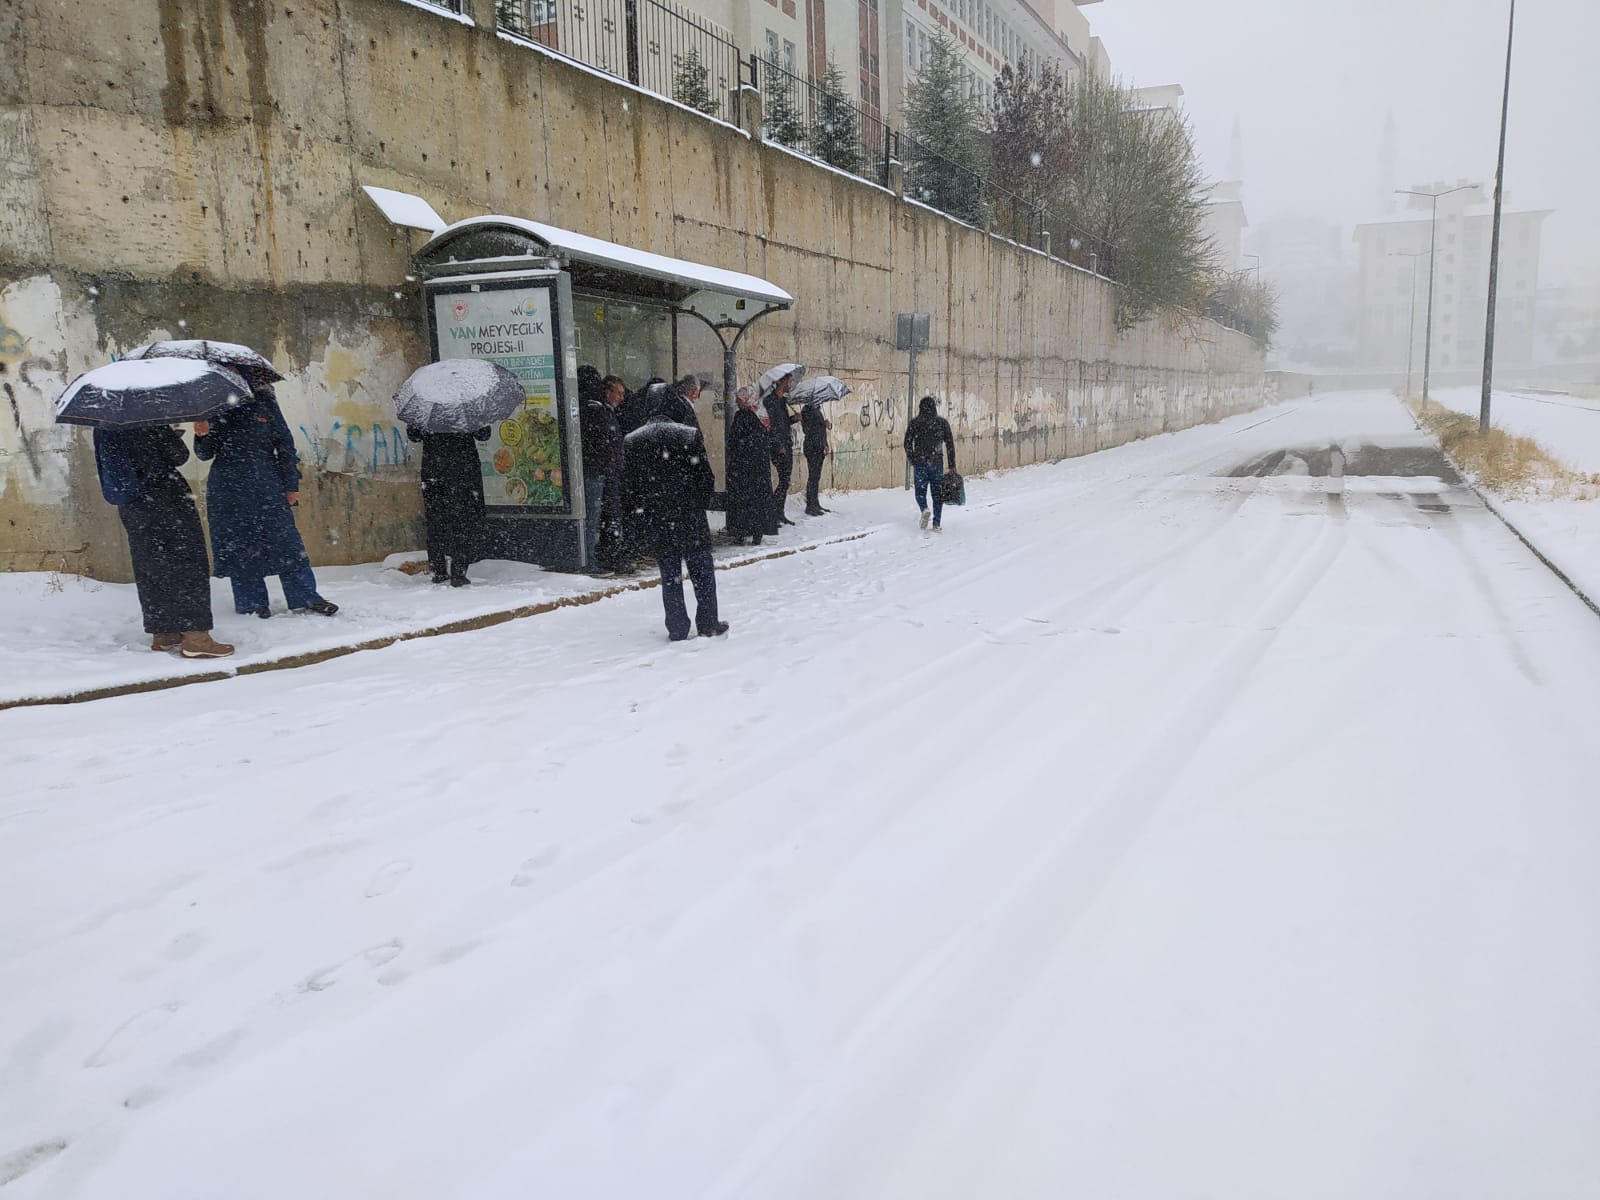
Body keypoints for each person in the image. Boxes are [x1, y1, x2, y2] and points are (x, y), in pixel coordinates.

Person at [193, 386, 337, 618]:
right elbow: (204, 454)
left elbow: (285, 444)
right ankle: (251, 604)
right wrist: (202, 435)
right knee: (240, 545)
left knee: (288, 544)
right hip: (228, 488)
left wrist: (291, 485)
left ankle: (305, 596)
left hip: (267, 483)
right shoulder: (213, 405)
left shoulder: (264, 400)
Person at [93, 424, 234, 658]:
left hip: (132, 504)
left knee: (150, 564)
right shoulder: (149, 417)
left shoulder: (105, 424)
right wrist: (171, 434)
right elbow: (179, 455)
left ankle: (164, 632)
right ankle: (196, 636)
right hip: (166, 497)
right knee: (187, 562)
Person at [622, 390, 729, 641]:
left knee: (670, 576)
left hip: (658, 517)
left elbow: (630, 486)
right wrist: (698, 502)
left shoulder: (633, 440)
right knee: (702, 572)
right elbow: (705, 477)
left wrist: (642, 512)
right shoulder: (688, 434)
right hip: (689, 515)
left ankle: (677, 626)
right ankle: (708, 622)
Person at [406, 423, 492, 586]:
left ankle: (438, 570)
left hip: (433, 472)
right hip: (463, 472)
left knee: (435, 522)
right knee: (463, 522)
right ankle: (458, 572)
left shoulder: (427, 412)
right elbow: (484, 434)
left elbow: (414, 436)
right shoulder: (466, 411)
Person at [577, 366, 619, 573]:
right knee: (591, 518)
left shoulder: (581, 405)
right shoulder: (595, 408)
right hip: (594, 470)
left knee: (590, 518)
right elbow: (604, 441)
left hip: (587, 468)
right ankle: (588, 560)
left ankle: (586, 558)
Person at [725, 386, 772, 546]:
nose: (737, 402)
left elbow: (735, 442)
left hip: (745, 469)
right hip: (756, 469)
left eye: (740, 399)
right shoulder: (759, 416)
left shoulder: (744, 417)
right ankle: (756, 531)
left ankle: (742, 531)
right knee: (755, 501)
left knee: (744, 502)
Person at [903, 394, 957, 531]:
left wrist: (912, 458)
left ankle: (924, 508)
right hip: (936, 463)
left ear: (921, 408)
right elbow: (950, 444)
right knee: (937, 495)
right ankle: (936, 524)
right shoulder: (942, 423)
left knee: (920, 493)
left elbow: (907, 443)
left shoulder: (915, 423)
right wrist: (952, 465)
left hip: (920, 463)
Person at [594, 374, 631, 573]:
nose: (621, 398)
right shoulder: (600, 413)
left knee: (612, 516)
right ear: (607, 392)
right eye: (618, 393)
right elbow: (605, 445)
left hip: (611, 472)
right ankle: (609, 554)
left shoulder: (608, 413)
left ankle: (610, 553)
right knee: (610, 516)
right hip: (607, 473)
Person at [762, 371, 798, 527]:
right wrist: (778, 444)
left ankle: (779, 513)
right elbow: (771, 426)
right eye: (789, 381)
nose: (790, 384)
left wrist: (794, 419)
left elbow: (783, 423)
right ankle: (773, 514)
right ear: (781, 382)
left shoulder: (783, 401)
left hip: (786, 444)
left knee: (786, 480)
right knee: (783, 481)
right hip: (778, 447)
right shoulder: (770, 401)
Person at [800, 400, 831, 516]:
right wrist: (822, 424)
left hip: (819, 446)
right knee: (813, 477)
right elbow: (807, 429)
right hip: (812, 447)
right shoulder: (807, 410)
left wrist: (825, 444)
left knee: (816, 476)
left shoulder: (817, 410)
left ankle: (815, 503)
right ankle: (810, 505)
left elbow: (821, 431)